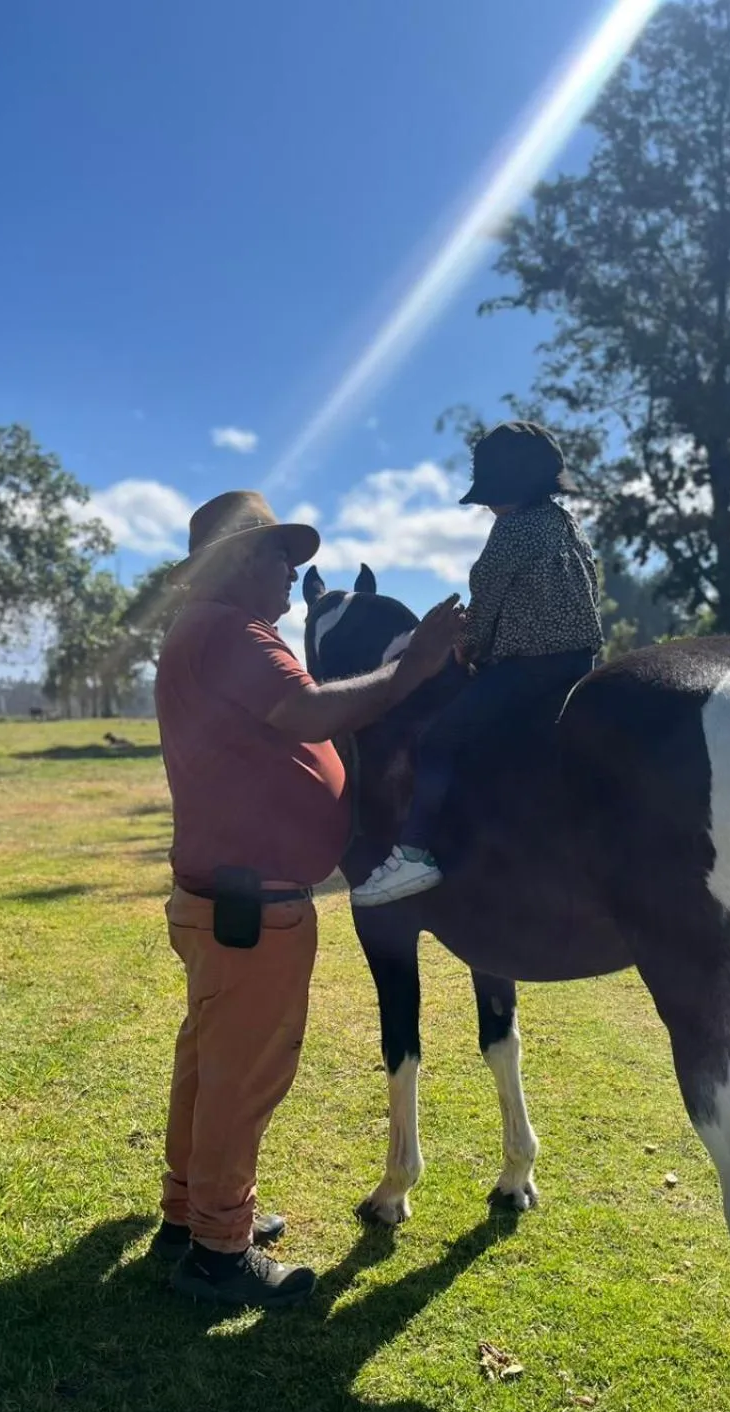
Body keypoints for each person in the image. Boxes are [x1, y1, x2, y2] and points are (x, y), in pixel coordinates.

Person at [152, 490, 463, 1307]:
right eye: (273, 554)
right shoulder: (232, 633)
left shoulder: (207, 632)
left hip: (225, 899)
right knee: (242, 1076)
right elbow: (316, 710)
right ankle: (219, 1252)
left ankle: (189, 1214)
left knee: (210, 1063)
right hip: (252, 907)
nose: (291, 571)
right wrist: (415, 665)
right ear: (231, 565)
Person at [351, 422, 603, 908]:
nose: (488, 503)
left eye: (492, 493)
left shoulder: (510, 530)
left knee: (437, 739)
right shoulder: (564, 523)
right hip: (579, 659)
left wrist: (466, 643)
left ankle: (414, 853)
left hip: (528, 665)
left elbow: (486, 600)